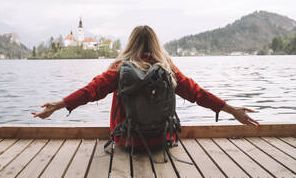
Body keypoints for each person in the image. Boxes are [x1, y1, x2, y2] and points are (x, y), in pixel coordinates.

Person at [31, 25, 259, 147]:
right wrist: (231, 110)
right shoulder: (167, 67)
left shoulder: (120, 67)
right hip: (163, 140)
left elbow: (91, 91)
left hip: (126, 140)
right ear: (155, 43)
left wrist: (59, 105)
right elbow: (197, 93)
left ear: (131, 43)